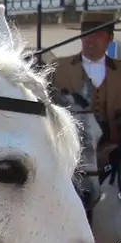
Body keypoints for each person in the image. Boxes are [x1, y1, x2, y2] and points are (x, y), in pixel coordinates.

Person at [49, 11, 121, 171]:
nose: (90, 39)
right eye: (86, 34)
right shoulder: (58, 68)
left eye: (98, 35)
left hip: (115, 155)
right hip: (70, 154)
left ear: (110, 38)